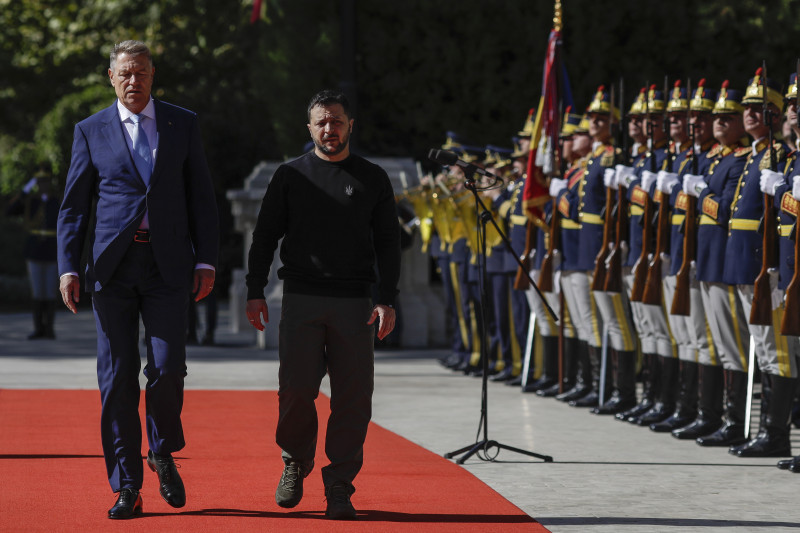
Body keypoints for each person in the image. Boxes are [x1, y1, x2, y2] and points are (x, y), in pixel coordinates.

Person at [56, 40, 219, 519]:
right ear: (111, 77)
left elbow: (202, 198)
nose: (134, 81)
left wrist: (206, 261)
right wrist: (68, 265)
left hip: (169, 267)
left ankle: (162, 450)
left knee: (168, 369)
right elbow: (73, 205)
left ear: (153, 75)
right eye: (125, 73)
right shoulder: (90, 130)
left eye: (141, 73)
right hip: (112, 270)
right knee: (118, 379)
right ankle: (126, 485)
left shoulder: (182, 123)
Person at [245, 89, 401, 520]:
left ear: (351, 125)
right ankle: (295, 461)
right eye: (321, 122)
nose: (329, 129)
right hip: (301, 299)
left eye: (337, 121)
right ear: (309, 128)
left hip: (355, 305)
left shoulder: (373, 177)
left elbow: (389, 243)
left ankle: (339, 486)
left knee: (353, 399)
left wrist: (388, 300)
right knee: (295, 391)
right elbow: (264, 237)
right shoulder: (290, 175)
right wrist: (254, 290)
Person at [6, 164, 60, 339]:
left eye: (46, 181)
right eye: (40, 181)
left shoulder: (56, 201)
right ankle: (38, 328)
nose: (43, 184)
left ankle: (49, 328)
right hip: (35, 251)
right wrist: (26, 189)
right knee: (37, 292)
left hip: (52, 250)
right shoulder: (31, 200)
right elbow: (10, 211)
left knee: (50, 292)